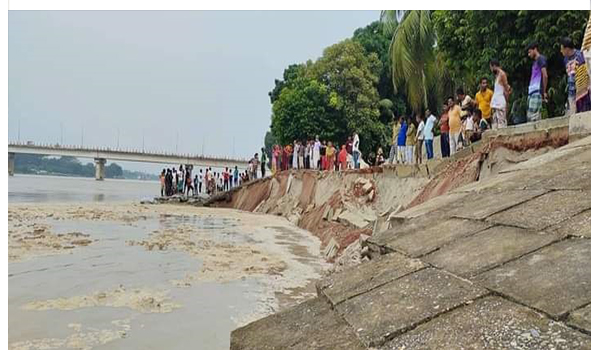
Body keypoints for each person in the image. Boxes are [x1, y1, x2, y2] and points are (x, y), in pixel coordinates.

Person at [561, 37, 591, 115]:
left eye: (562, 49)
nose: (561, 51)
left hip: (581, 88)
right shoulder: (565, 60)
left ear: (567, 49)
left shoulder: (580, 55)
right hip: (571, 89)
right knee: (573, 113)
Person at [526, 42, 548, 122]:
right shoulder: (535, 62)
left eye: (530, 52)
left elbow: (545, 75)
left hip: (537, 90)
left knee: (533, 116)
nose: (529, 54)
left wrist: (544, 91)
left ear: (535, 49)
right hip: (532, 91)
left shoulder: (540, 59)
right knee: (531, 115)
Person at [490, 59, 511, 129]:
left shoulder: (502, 74)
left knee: (501, 123)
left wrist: (507, 101)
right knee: (495, 123)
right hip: (495, 102)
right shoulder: (497, 76)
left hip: (500, 102)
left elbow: (506, 89)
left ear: (494, 66)